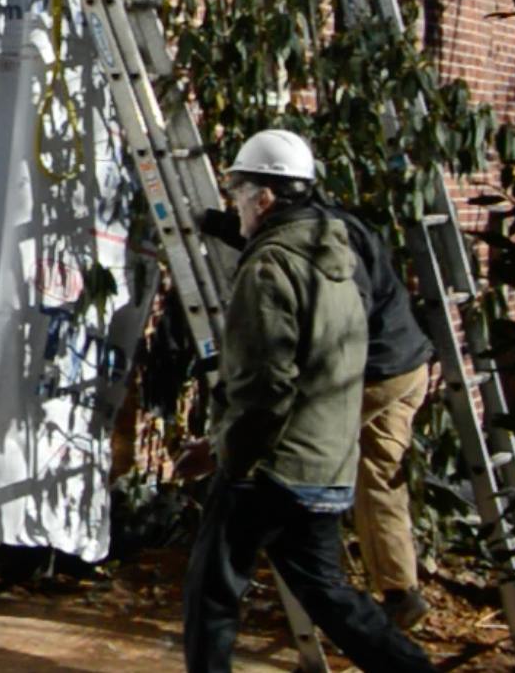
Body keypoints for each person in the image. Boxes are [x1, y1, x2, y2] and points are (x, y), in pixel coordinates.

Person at [180, 128, 437, 673]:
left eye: (239, 195)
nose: (236, 205)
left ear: (264, 199)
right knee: (327, 592)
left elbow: (264, 388)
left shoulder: (269, 268)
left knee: (212, 591)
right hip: (326, 461)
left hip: (272, 463)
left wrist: (229, 456)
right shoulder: (333, 246)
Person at [341, 213, 434, 630]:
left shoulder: (314, 237)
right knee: (379, 473)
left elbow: (350, 308)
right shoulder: (346, 222)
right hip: (409, 367)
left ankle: (318, 592)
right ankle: (401, 593)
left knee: (289, 441)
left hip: (377, 372)